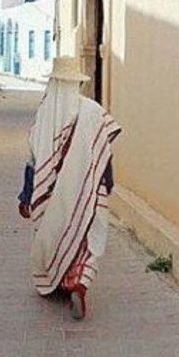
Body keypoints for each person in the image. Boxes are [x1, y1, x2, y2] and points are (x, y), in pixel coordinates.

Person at [19, 57, 120, 319]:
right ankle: (79, 282)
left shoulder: (44, 116)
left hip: (51, 194)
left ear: (52, 82)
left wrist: (27, 196)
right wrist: (106, 183)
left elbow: (33, 161)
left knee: (54, 235)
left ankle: (59, 278)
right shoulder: (92, 111)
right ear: (77, 84)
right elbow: (104, 153)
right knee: (84, 235)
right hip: (87, 187)